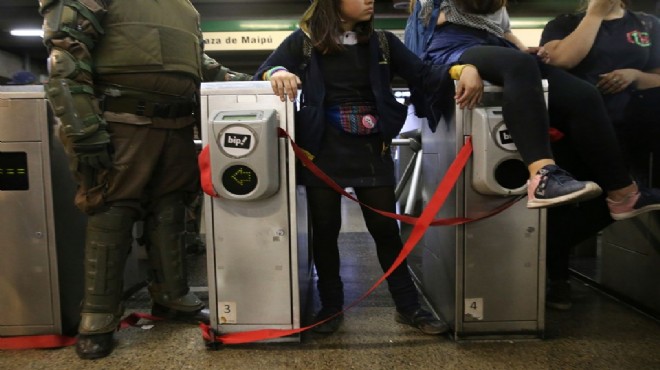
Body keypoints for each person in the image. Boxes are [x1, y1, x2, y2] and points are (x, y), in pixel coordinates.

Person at [39, 0, 250, 360]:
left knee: (170, 210)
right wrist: (84, 128)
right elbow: (66, 55)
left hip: (177, 126)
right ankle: (99, 317)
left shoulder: (184, 7)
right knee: (111, 212)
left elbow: (197, 65)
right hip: (121, 121)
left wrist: (250, 82)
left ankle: (172, 297)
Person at [253, 0, 462, 336]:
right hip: (321, 150)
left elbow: (424, 75)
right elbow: (265, 70)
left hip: (370, 148)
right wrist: (278, 73)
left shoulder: (383, 42)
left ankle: (409, 307)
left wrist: (459, 68)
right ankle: (331, 307)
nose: (370, 1)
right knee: (325, 233)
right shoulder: (303, 41)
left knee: (385, 231)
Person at [405, 0, 660, 221]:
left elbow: (502, 31)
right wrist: (464, 67)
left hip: (495, 45)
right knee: (518, 64)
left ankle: (623, 194)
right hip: (451, 45)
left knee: (582, 94)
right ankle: (543, 176)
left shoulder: (499, 10)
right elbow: (430, 29)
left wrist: (524, 50)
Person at [538, 0, 660, 309]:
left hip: (628, 130)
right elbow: (561, 60)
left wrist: (635, 75)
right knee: (563, 205)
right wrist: (594, 14)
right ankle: (558, 279)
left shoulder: (647, 25)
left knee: (613, 204)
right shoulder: (564, 23)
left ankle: (543, 252)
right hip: (572, 132)